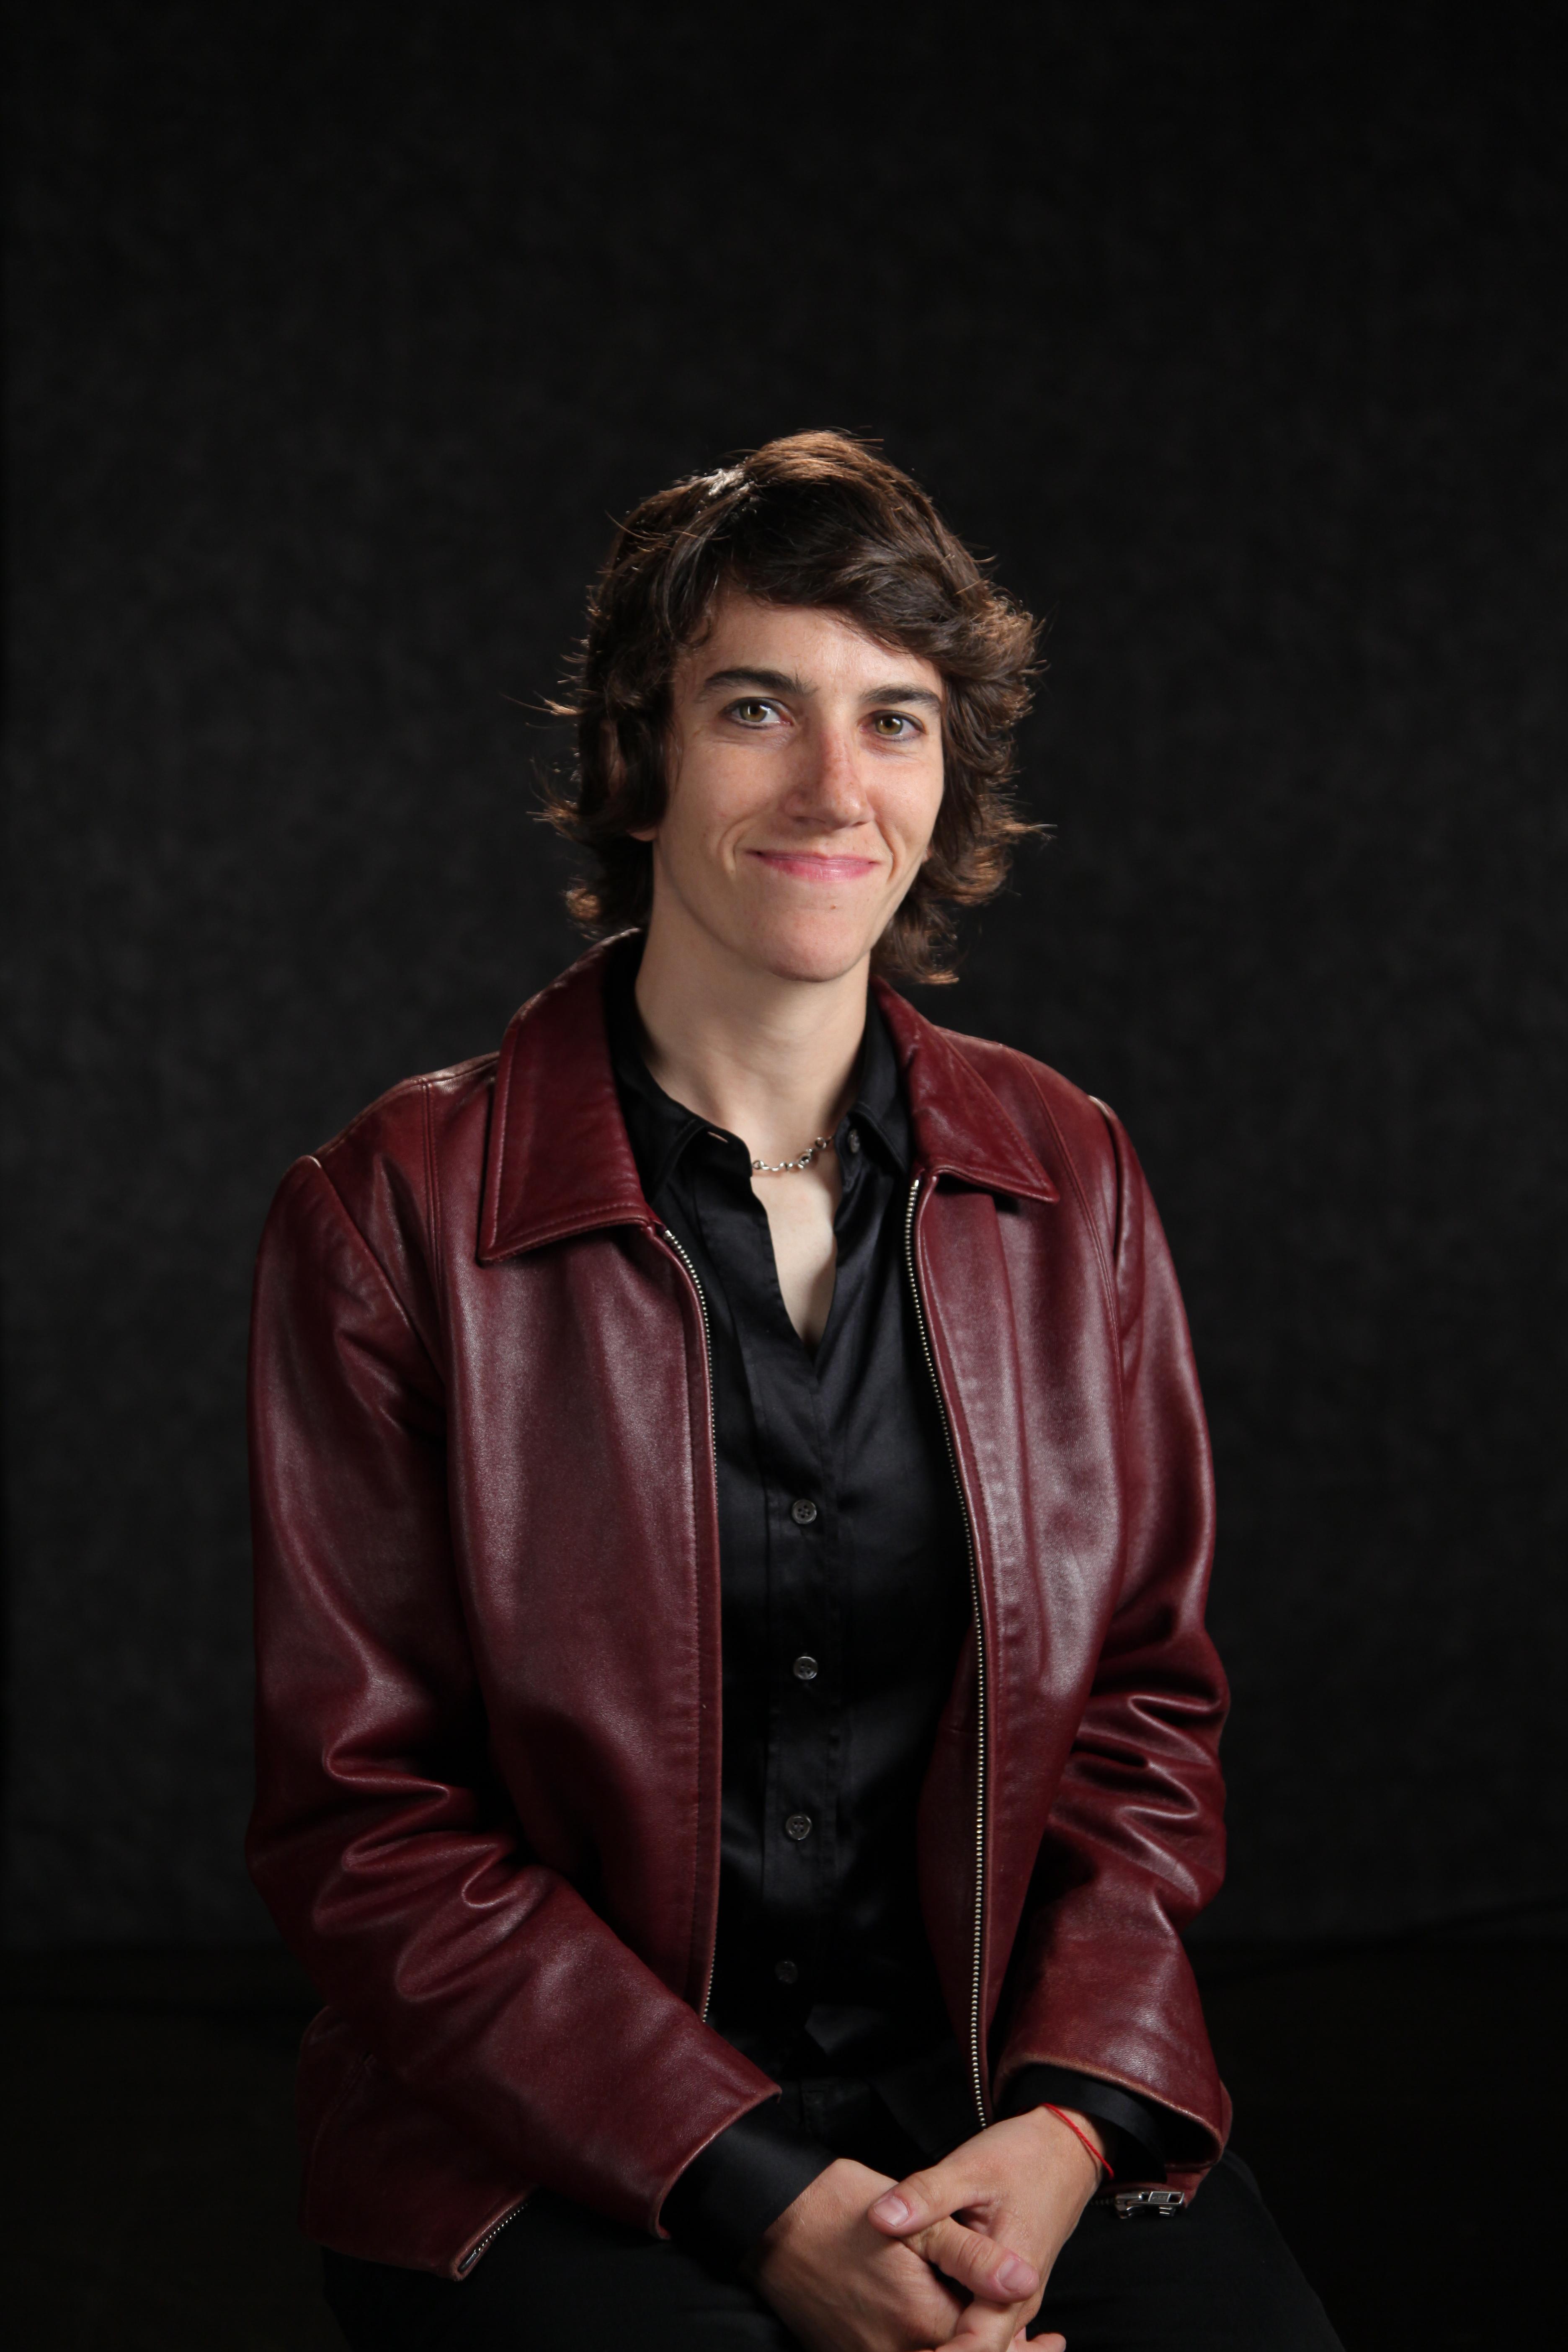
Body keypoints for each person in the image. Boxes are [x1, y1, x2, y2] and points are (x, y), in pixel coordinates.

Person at [247, 432, 1340, 2349]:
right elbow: (369, 1824)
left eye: (897, 720)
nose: (838, 787)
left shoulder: (1071, 1174)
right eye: (760, 706)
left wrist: (1072, 2128)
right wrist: (760, 2195)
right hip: (549, 2142)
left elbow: (1150, 1722)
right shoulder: (387, 1216)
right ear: (641, 751)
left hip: (993, 2104)